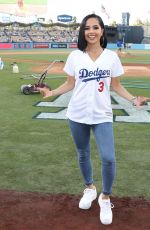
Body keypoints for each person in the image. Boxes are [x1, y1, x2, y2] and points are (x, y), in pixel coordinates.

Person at [37, 14, 149, 225]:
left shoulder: (111, 57)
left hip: (102, 114)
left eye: (95, 27)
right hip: (77, 113)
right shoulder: (75, 56)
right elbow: (70, 83)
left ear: (102, 30)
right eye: (87, 28)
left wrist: (133, 99)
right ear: (83, 31)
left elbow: (116, 86)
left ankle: (105, 197)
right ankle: (89, 187)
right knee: (82, 153)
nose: (91, 31)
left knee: (108, 158)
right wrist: (51, 94)